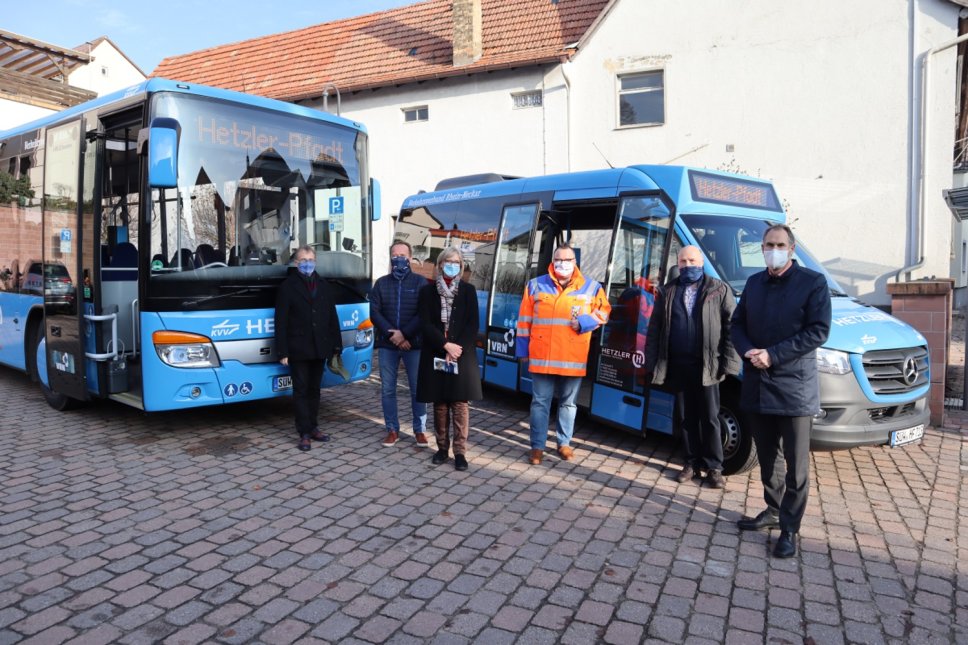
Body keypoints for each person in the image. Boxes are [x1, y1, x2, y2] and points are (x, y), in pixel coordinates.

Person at [731, 224, 831, 559]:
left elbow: (818, 331)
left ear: (791, 248)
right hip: (758, 385)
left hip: (794, 389)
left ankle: (789, 528)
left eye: (779, 244)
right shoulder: (754, 283)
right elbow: (737, 325)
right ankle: (773, 510)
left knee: (796, 466)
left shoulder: (812, 283)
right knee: (767, 458)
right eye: (767, 245)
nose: (773, 249)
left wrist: (772, 355)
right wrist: (748, 351)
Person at [644, 245, 741, 488]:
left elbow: (732, 329)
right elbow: (654, 330)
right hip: (678, 364)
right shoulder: (668, 291)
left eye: (692, 260)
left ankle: (715, 468)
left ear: (701, 262)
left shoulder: (719, 289)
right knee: (685, 417)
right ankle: (691, 463)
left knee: (710, 417)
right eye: (683, 261)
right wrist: (652, 361)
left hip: (708, 366)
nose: (688, 265)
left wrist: (728, 364)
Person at [516, 243, 611, 465]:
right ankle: (537, 447)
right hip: (542, 356)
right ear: (552, 261)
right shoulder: (535, 285)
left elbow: (604, 312)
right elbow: (524, 321)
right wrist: (522, 351)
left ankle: (564, 443)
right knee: (540, 403)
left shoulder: (591, 287)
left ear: (574, 263)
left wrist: (585, 322)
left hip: (572, 356)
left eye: (567, 260)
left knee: (568, 404)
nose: (562, 263)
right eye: (558, 259)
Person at [415, 247, 482, 471]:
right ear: (440, 264)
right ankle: (442, 449)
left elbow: (473, 324)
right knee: (440, 402)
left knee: (460, 403)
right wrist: (444, 345)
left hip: (461, 355)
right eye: (448, 261)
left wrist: (456, 349)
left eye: (456, 262)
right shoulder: (427, 292)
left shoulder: (469, 290)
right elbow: (425, 324)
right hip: (436, 351)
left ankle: (460, 452)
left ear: (461, 266)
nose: (452, 265)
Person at [275, 245, 343, 451]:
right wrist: (283, 351)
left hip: (320, 347)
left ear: (315, 261)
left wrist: (336, 345)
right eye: (303, 260)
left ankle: (314, 427)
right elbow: (281, 321)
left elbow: (332, 316)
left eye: (311, 259)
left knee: (315, 390)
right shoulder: (287, 287)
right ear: (296, 263)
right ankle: (303, 432)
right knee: (301, 390)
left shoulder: (323, 284)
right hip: (298, 348)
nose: (307, 264)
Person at [369, 241, 429, 448]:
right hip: (388, 345)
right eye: (395, 255)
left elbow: (424, 314)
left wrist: (405, 335)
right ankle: (392, 429)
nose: (399, 258)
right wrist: (393, 335)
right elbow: (374, 313)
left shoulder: (421, 283)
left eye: (403, 255)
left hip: (414, 345)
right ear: (390, 258)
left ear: (410, 258)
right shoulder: (381, 284)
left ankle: (419, 430)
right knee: (387, 389)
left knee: (417, 389)